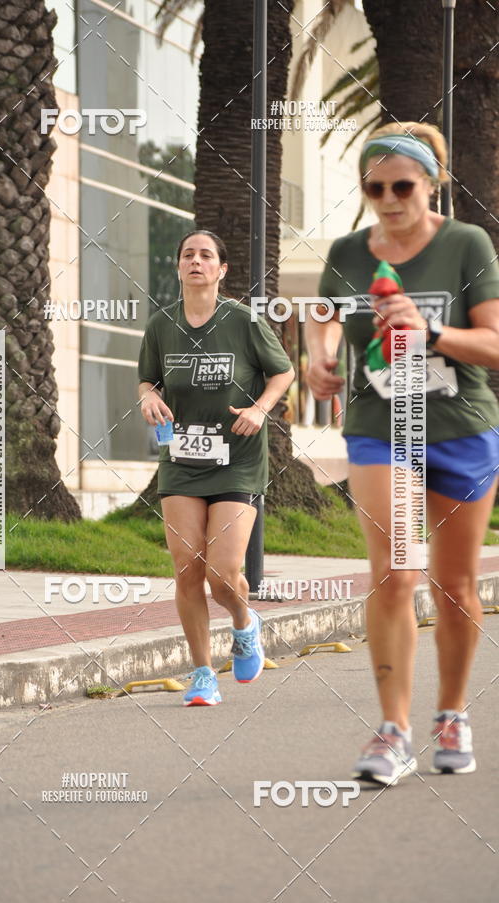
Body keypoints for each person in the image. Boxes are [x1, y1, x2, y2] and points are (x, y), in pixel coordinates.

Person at [306, 122, 499, 784]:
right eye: (374, 188)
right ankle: (393, 730)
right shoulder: (348, 251)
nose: (388, 199)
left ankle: (451, 713)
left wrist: (431, 329)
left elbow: (494, 344)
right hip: (380, 426)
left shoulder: (466, 244)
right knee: (396, 571)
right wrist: (319, 358)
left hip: (460, 426)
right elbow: (325, 313)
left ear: (430, 184)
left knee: (455, 585)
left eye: (402, 187)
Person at [138, 230, 295, 706]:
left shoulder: (243, 322)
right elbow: (149, 379)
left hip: (237, 460)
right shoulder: (161, 325)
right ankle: (203, 672)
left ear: (221, 270)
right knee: (188, 568)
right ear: (178, 266)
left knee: (223, 574)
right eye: (188, 254)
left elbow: (283, 371)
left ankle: (245, 625)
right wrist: (147, 397)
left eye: (206, 255)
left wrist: (260, 410)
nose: (196, 261)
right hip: (181, 460)